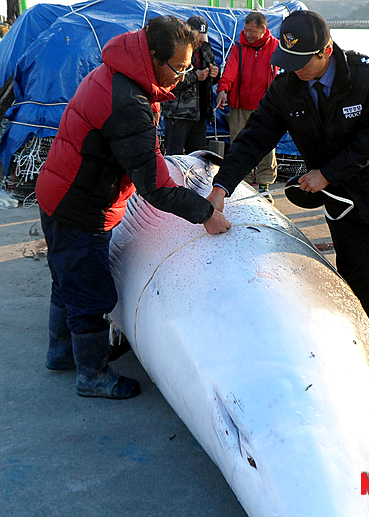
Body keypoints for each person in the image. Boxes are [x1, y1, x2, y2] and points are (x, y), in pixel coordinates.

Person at [208, 10, 369, 384]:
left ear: (325, 51)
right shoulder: (287, 87)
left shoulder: (367, 75)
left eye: (301, 62)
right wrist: (221, 186)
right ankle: (360, 346)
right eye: (287, 62)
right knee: (354, 274)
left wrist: (326, 174)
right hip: (342, 196)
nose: (294, 70)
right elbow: (254, 138)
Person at [35, 16, 231, 400]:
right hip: (80, 207)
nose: (182, 75)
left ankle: (61, 353)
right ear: (153, 56)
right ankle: (91, 375)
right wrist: (206, 213)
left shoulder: (119, 73)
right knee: (90, 291)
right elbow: (156, 185)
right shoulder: (128, 103)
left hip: (60, 192)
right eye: (178, 67)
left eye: (189, 67)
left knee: (67, 277)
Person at [215, 11, 278, 203]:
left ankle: (265, 184)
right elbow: (230, 70)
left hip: (265, 106)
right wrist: (223, 89)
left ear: (263, 30)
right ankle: (246, 182)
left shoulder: (275, 46)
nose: (247, 34)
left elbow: (280, 76)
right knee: (239, 143)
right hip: (239, 105)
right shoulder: (238, 47)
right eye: (245, 29)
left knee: (267, 144)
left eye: (252, 31)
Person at [162, 15, 219, 154]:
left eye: (202, 36)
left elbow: (211, 77)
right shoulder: (175, 49)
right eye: (198, 36)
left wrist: (216, 73)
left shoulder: (205, 48)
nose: (200, 40)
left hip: (199, 113)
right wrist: (195, 76)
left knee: (197, 156)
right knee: (174, 156)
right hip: (178, 113)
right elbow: (169, 79)